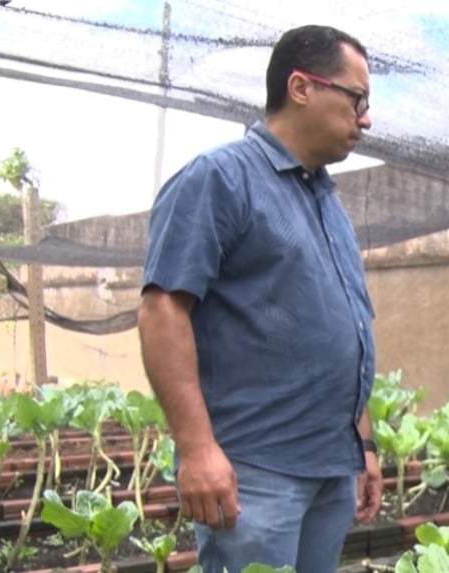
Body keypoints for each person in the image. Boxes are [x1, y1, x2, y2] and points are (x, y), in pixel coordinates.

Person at [137, 25, 381, 573]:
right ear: (301, 87)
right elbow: (162, 312)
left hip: (331, 466)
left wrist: (362, 445)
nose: (366, 119)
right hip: (255, 473)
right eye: (357, 98)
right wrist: (197, 449)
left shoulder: (326, 199)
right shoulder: (220, 179)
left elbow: (348, 329)